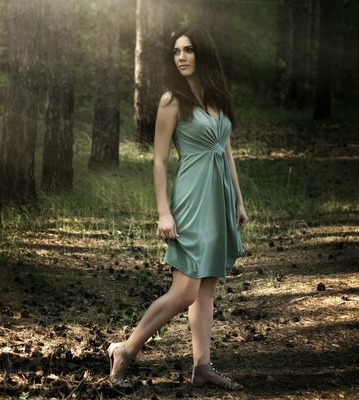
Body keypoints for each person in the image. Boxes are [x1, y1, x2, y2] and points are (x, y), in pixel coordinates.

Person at [107, 25, 248, 391]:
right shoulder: (172, 100)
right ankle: (125, 349)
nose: (181, 57)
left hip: (219, 200)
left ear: (202, 52)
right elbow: (158, 161)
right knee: (185, 290)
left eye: (187, 50)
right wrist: (163, 212)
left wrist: (238, 200)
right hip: (190, 199)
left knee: (206, 289)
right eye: (176, 52)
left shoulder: (218, 97)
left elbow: (226, 150)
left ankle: (202, 366)